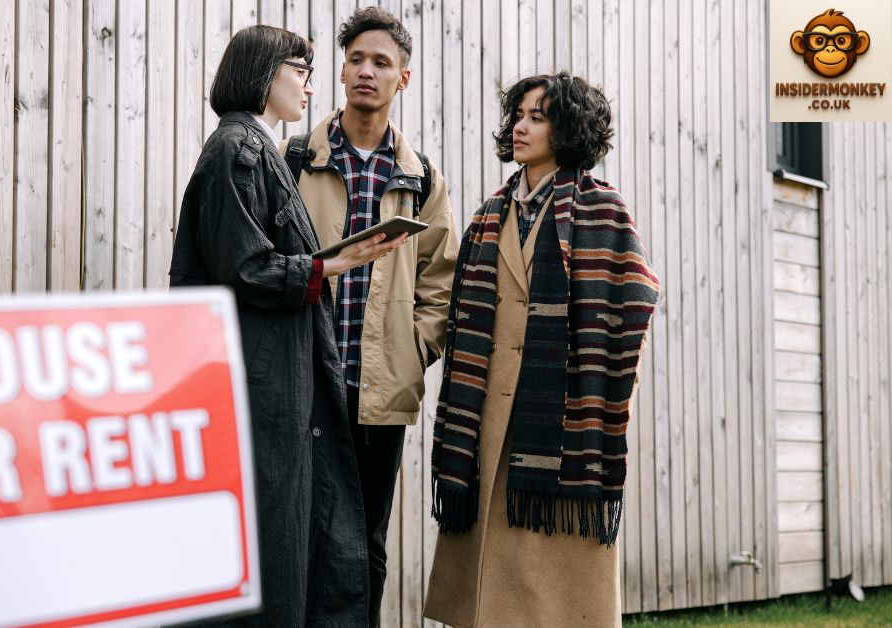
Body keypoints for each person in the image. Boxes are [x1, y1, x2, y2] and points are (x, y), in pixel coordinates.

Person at [169, 24, 406, 627]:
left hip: (273, 373)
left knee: (290, 530)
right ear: (264, 73)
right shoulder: (238, 149)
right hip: (261, 378)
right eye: (299, 72)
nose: (309, 86)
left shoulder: (254, 147)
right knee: (271, 531)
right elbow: (243, 266)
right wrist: (331, 265)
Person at [423, 72, 660, 627]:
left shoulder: (603, 209)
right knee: (492, 580)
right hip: (486, 414)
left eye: (537, 116)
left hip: (561, 414)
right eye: (518, 115)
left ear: (568, 129)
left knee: (553, 589)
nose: (520, 126)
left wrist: (602, 387)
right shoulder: (489, 214)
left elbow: (634, 302)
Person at [283, 8, 458, 623]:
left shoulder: (421, 177)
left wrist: (413, 351)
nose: (366, 71)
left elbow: (441, 279)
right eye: (356, 59)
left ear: (402, 78)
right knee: (298, 535)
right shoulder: (295, 159)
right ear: (340, 71)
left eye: (381, 62)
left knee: (365, 542)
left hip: (379, 391)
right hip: (306, 383)